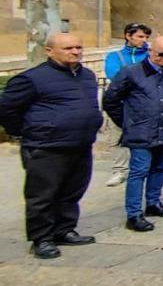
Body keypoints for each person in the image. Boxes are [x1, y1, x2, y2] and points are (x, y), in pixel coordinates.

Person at [0, 33, 104, 258]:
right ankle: (42, 238)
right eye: (68, 48)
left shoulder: (86, 75)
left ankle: (64, 230)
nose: (75, 52)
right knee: (42, 195)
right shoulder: (31, 78)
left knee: (72, 191)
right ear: (49, 51)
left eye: (78, 47)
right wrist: (28, 130)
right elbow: (7, 110)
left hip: (80, 144)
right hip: (46, 147)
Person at [103, 35, 163, 231]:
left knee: (159, 168)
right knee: (139, 171)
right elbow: (111, 100)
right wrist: (128, 122)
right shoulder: (131, 72)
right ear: (150, 52)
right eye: (161, 54)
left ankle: (153, 203)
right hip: (141, 131)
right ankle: (134, 214)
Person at [103, 22, 151, 186]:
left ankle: (144, 167)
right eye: (139, 36)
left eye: (146, 37)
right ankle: (120, 170)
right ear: (128, 36)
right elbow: (115, 76)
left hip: (143, 103)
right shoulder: (115, 56)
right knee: (117, 137)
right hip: (121, 103)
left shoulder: (150, 54)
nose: (143, 40)